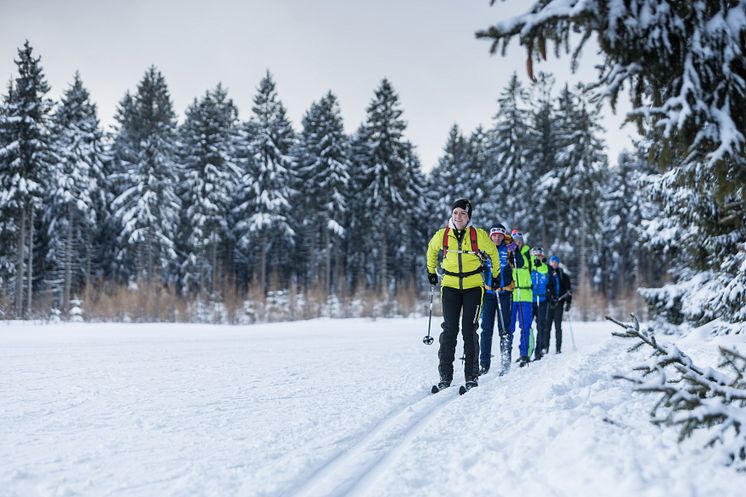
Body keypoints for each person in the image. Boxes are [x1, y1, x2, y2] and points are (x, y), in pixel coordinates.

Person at [426, 199, 499, 392]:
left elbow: (493, 253)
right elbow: (431, 250)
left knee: (469, 329)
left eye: (463, 213)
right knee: (449, 330)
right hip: (449, 285)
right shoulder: (442, 235)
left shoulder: (479, 235)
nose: (458, 216)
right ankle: (445, 376)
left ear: (469, 217)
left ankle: (471, 376)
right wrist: (431, 272)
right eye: (456, 212)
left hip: (473, 286)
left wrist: (497, 275)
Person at [479, 224, 514, 376]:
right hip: (488, 295)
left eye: (500, 235)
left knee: (504, 330)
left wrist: (515, 248)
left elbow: (520, 262)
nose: (497, 238)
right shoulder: (485, 250)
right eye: (494, 235)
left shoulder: (508, 250)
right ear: (490, 236)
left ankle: (505, 362)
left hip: (504, 294)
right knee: (486, 330)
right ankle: (484, 364)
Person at [508, 230, 533, 368]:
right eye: (514, 240)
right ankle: (507, 354)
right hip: (512, 295)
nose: (517, 243)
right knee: (509, 327)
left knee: (525, 326)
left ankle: (524, 354)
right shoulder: (507, 254)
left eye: (519, 240)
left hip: (526, 296)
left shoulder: (527, 255)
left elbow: (537, 268)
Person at [547, 255, 572, 354]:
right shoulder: (547, 273)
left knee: (558, 326)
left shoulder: (563, 275)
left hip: (559, 303)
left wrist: (568, 303)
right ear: (550, 263)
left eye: (556, 262)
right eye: (553, 262)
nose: (554, 264)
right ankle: (545, 348)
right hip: (549, 303)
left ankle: (558, 348)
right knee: (547, 327)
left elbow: (569, 290)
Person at [530, 246, 550, 360]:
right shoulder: (529, 267)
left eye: (540, 255)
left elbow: (550, 282)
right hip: (530, 300)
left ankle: (539, 350)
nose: (538, 257)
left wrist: (550, 292)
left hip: (542, 300)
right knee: (527, 327)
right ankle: (527, 352)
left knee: (541, 326)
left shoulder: (545, 268)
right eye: (536, 255)